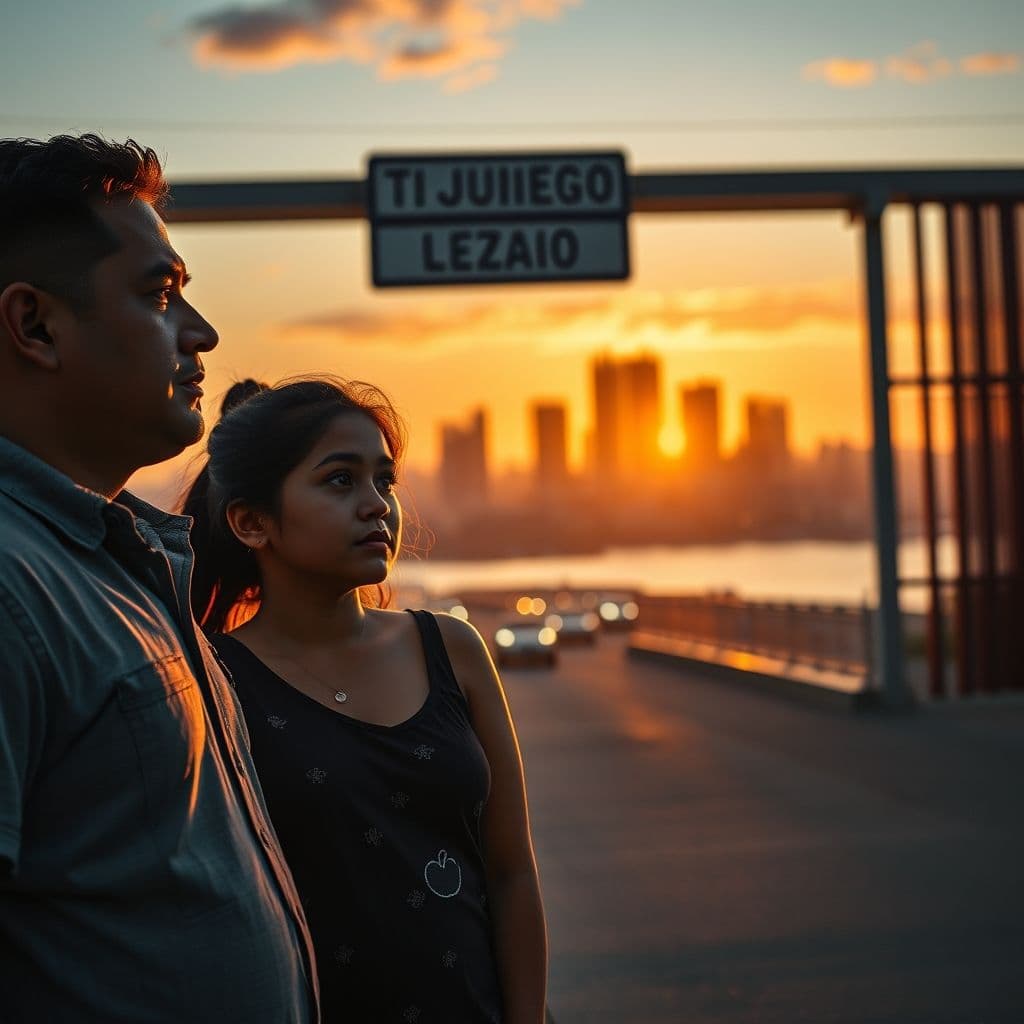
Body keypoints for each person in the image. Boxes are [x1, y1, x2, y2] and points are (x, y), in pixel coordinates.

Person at [0, 135, 317, 1022]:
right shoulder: (12, 588)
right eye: (160, 293)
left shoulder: (120, 560)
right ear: (35, 325)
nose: (201, 331)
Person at [183, 377, 548, 1023]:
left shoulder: (452, 648)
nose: (377, 504)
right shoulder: (214, 683)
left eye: (385, 480)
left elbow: (512, 872)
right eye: (339, 481)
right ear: (251, 522)